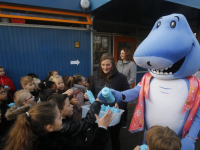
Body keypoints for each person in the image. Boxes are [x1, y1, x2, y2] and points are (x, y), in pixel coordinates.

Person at [3, 101, 113, 150]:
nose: (61, 117)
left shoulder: (15, 139)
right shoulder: (55, 145)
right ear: (49, 127)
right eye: (59, 117)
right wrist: (102, 128)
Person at [84, 53, 130, 150]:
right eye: (103, 65)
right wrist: (86, 95)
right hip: (98, 111)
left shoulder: (121, 77)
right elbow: (90, 90)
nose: (105, 67)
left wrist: (120, 103)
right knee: (97, 135)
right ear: (100, 65)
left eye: (108, 65)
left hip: (113, 112)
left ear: (113, 64)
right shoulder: (95, 75)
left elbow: (127, 94)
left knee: (114, 137)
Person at [116, 47, 137, 128]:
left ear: (127, 54)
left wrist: (125, 85)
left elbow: (133, 78)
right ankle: (118, 120)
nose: (121, 55)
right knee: (117, 104)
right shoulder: (118, 63)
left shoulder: (132, 64)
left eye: (123, 53)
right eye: (120, 53)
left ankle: (124, 122)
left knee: (124, 105)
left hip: (126, 88)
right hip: (117, 87)